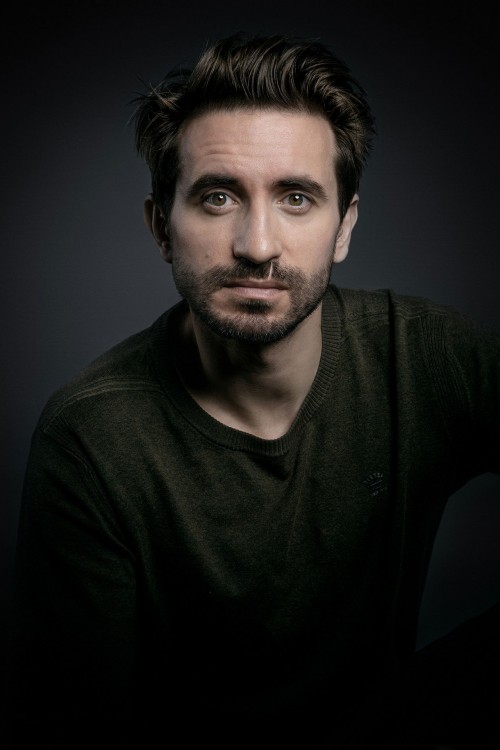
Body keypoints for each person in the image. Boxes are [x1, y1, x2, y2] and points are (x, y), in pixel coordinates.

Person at [3, 32, 499, 750]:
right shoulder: (92, 439)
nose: (257, 245)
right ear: (161, 228)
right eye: (217, 197)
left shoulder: (424, 355)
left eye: (296, 198)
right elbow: (71, 731)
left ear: (344, 228)